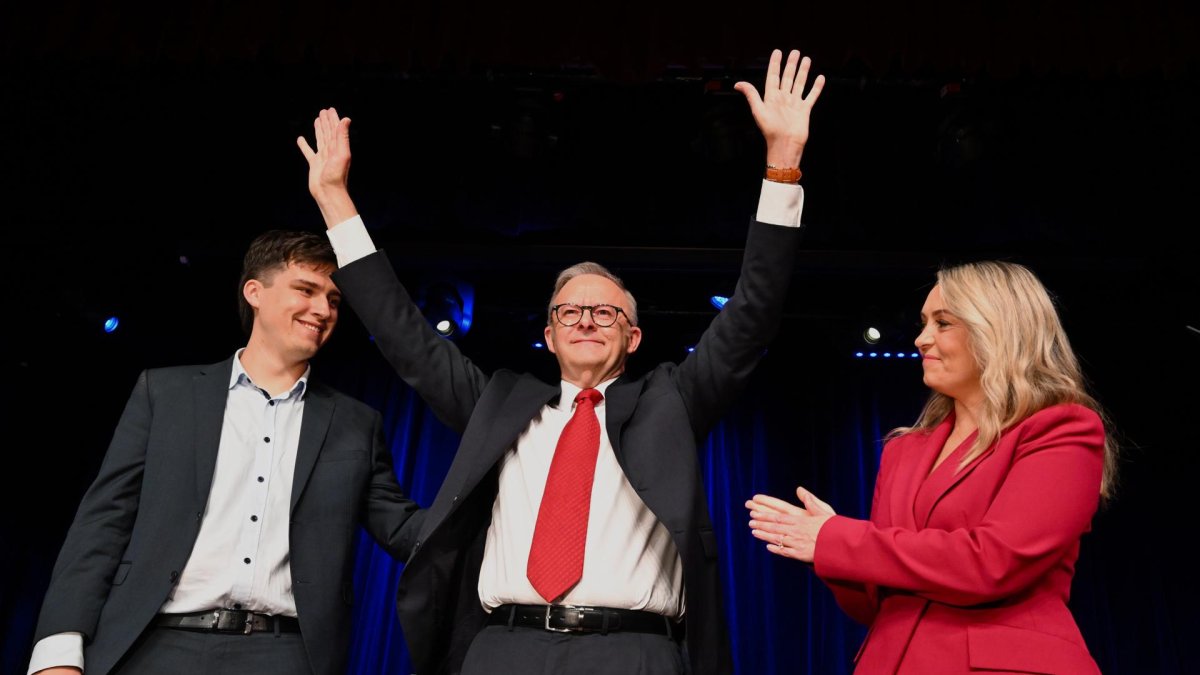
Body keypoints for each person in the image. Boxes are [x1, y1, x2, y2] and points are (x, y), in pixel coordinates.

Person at [295, 49, 823, 675]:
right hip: (503, 648)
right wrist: (334, 201)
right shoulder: (499, 402)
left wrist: (783, 164)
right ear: (548, 335)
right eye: (570, 312)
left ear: (634, 338)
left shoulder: (672, 402)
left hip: (635, 651)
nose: (588, 321)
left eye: (607, 313)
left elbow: (752, 312)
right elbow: (404, 333)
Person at [27, 230, 423, 675]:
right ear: (254, 292)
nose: (323, 309)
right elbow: (102, 525)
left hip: (285, 654)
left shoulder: (356, 424)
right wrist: (58, 652)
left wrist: (501, 505)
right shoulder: (166, 393)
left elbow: (405, 529)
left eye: (333, 299)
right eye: (306, 290)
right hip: (150, 644)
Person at [746, 260, 1117, 674]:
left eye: (943, 323)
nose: (922, 338)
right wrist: (824, 551)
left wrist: (840, 540)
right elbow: (878, 604)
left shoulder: (1061, 428)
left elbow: (991, 563)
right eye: (924, 323)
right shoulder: (903, 450)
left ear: (997, 330)